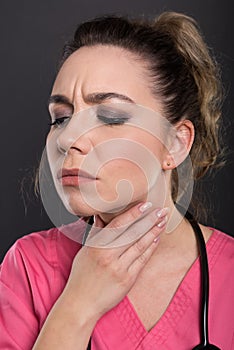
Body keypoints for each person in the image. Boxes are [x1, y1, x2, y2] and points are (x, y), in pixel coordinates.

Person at [0, 11, 233, 350]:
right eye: (61, 119)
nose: (68, 140)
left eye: (109, 116)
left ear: (176, 143)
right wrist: (77, 307)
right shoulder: (28, 266)